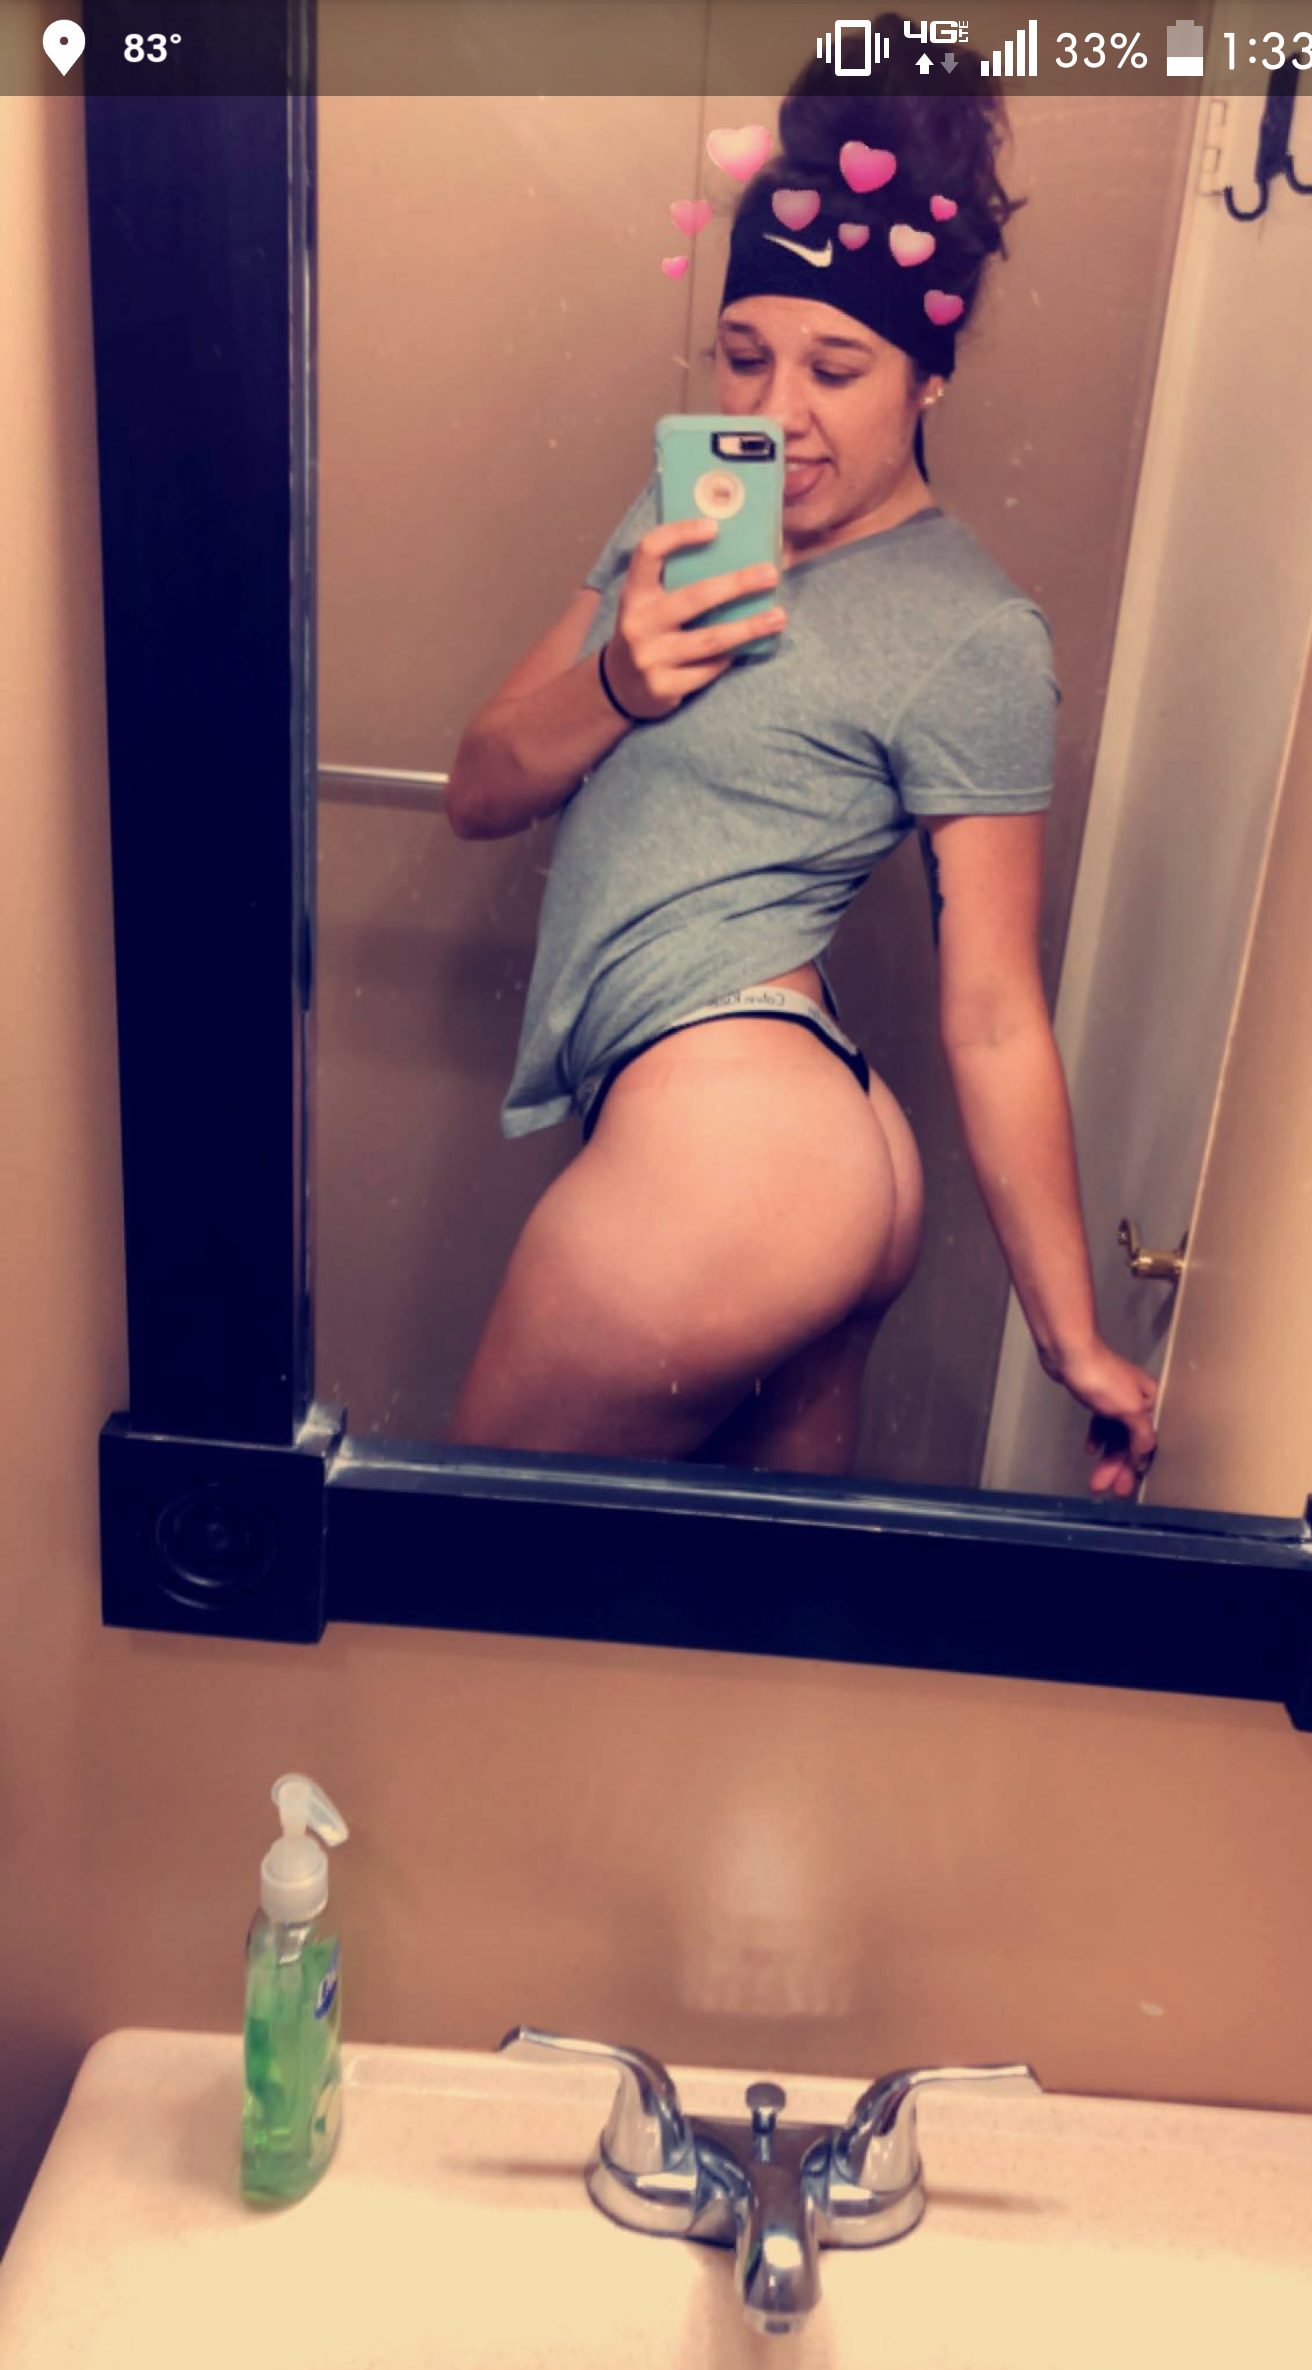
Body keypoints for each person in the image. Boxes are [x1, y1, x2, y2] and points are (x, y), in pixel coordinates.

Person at [443, 38, 1159, 1497]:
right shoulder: (685, 513)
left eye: (837, 369)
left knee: (460, 1571)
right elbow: (482, 787)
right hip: (801, 1153)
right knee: (742, 1621)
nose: (778, 415)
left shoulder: (975, 632)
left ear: (930, 377)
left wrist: (1070, 1336)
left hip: (744, 1156)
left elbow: (996, 1013)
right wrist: (621, 680)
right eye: (745, 354)